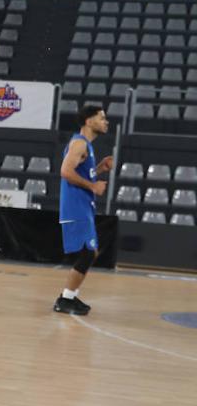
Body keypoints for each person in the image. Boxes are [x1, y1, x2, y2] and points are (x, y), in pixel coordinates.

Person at [54, 104, 112, 316]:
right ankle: (64, 299)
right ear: (89, 121)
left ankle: (69, 296)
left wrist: (98, 170)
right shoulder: (79, 144)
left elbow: (80, 172)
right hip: (75, 207)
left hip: (82, 207)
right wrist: (93, 186)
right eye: (102, 118)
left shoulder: (85, 145)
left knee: (91, 252)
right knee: (88, 252)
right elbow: (65, 172)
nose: (106, 122)